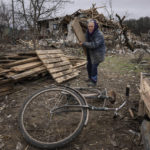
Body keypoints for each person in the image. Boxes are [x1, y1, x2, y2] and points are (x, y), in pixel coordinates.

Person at [80, 19, 106, 86]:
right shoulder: (88, 33)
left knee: (94, 67)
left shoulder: (99, 34)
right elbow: (85, 40)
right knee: (89, 66)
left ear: (95, 26)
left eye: (92, 26)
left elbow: (95, 44)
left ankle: (94, 82)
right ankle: (90, 78)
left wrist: (84, 44)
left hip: (98, 54)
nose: (90, 28)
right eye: (89, 26)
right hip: (91, 53)